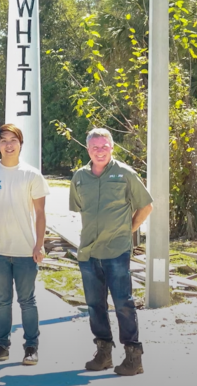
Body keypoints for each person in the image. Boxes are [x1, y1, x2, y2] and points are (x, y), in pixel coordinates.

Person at [70, 128, 152, 376]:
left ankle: (133, 358)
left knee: (123, 304)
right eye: (95, 147)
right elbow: (79, 209)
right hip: (88, 252)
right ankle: (103, 353)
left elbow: (146, 206)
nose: (100, 150)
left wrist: (128, 231)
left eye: (104, 146)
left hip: (116, 251)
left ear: (112, 147)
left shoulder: (125, 174)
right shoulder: (80, 178)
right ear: (87, 149)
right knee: (95, 305)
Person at [0, 123, 49, 365]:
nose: (8, 144)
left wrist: (39, 245)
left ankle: (31, 347)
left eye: (13, 139)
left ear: (20, 143)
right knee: (3, 300)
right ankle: (1, 346)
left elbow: (40, 213)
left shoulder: (31, 174)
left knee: (27, 300)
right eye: (3, 140)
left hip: (26, 251)